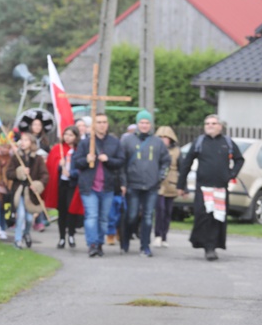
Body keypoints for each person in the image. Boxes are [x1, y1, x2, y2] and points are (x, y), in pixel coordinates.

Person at [177, 114, 244, 261]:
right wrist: (181, 185)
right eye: (207, 123)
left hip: (221, 188)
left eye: (213, 123)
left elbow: (239, 160)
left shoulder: (227, 142)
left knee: (216, 218)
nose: (210, 126)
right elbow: (186, 164)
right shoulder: (199, 142)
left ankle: (211, 248)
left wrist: (231, 174)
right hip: (203, 188)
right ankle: (203, 243)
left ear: (220, 126)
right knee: (203, 217)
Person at [118, 110, 171, 257]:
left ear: (151, 124)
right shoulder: (127, 141)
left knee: (148, 217)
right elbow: (121, 163)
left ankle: (145, 246)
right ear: (137, 123)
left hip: (151, 185)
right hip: (133, 184)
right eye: (141, 122)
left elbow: (166, 161)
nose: (144, 125)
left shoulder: (157, 142)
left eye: (147, 122)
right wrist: (123, 182)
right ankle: (125, 241)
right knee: (132, 215)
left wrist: (160, 176)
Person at [72, 113, 125, 257]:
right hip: (89, 186)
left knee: (103, 218)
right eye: (99, 122)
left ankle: (100, 243)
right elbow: (76, 162)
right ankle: (92, 244)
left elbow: (120, 161)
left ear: (107, 124)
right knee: (91, 216)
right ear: (94, 125)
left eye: (104, 122)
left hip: (107, 186)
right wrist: (86, 159)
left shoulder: (114, 142)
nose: (102, 124)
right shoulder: (85, 143)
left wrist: (108, 160)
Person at [6, 131, 49, 249]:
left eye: (26, 140)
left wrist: (38, 184)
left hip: (31, 194)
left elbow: (45, 175)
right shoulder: (16, 157)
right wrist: (19, 172)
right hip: (19, 191)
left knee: (29, 218)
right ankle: (17, 240)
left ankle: (26, 233)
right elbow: (9, 173)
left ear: (32, 143)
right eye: (22, 140)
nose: (23, 142)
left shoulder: (38, 158)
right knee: (20, 215)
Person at [43, 125, 83, 249]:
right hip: (61, 184)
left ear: (76, 137)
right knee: (62, 211)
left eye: (71, 135)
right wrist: (60, 166)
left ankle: (71, 234)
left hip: (73, 185)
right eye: (66, 134)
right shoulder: (58, 149)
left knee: (71, 210)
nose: (67, 137)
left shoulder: (80, 150)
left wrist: (72, 173)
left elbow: (83, 166)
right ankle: (61, 237)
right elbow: (51, 166)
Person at [154, 126, 181, 248]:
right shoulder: (154, 149)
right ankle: (158, 235)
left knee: (168, 212)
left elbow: (182, 167)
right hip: (158, 183)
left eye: (166, 137)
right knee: (160, 209)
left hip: (171, 183)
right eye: (160, 137)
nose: (163, 139)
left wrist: (181, 185)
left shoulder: (177, 151)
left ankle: (164, 236)